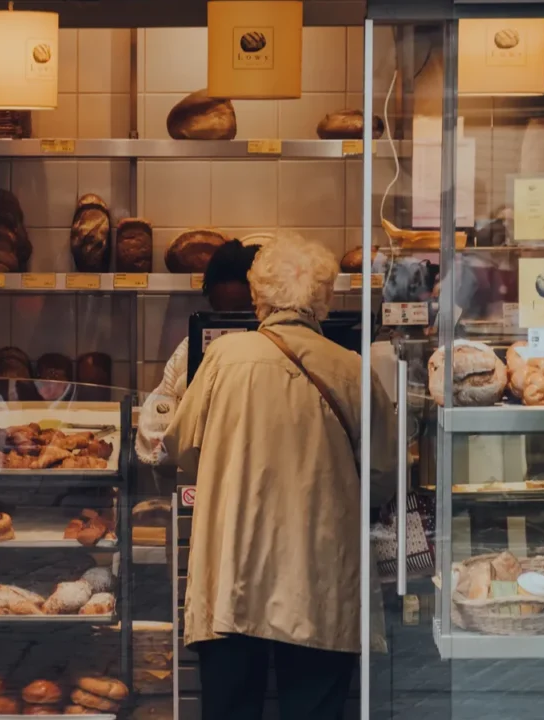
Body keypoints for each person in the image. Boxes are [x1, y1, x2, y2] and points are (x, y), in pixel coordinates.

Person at [162, 236, 397, 720]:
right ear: (325, 300)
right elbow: (382, 476)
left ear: (258, 297)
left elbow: (181, 447)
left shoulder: (224, 359)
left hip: (233, 577)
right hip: (319, 582)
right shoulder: (353, 370)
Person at [136, 239, 261, 465]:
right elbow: (155, 434)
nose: (228, 325)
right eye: (220, 313)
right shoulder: (188, 351)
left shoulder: (275, 357)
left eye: (241, 313)